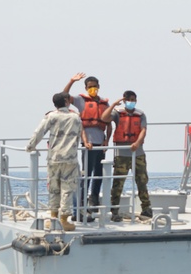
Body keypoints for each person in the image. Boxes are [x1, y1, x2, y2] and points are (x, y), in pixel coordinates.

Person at [26, 92, 83, 232]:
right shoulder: (76, 117)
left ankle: (53, 217)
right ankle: (64, 220)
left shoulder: (51, 116)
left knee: (54, 188)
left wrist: (30, 146)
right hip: (70, 158)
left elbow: (39, 132)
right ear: (65, 101)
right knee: (67, 189)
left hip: (54, 158)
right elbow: (78, 137)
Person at [100, 90, 152, 222]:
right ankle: (114, 210)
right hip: (121, 154)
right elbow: (104, 118)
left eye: (134, 100)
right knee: (118, 183)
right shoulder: (117, 113)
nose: (132, 102)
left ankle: (146, 209)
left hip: (138, 153)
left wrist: (137, 143)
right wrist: (112, 105)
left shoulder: (140, 115)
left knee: (142, 181)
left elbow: (143, 130)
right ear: (124, 100)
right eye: (129, 100)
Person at [63, 72, 110, 219]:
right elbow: (63, 96)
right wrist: (71, 81)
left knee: (98, 173)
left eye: (95, 87)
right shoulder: (80, 100)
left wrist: (106, 140)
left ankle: (93, 200)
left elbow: (108, 123)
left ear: (99, 87)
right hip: (87, 144)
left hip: (100, 143)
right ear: (85, 87)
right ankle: (82, 202)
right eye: (90, 87)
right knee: (86, 174)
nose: (93, 89)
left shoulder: (104, 103)